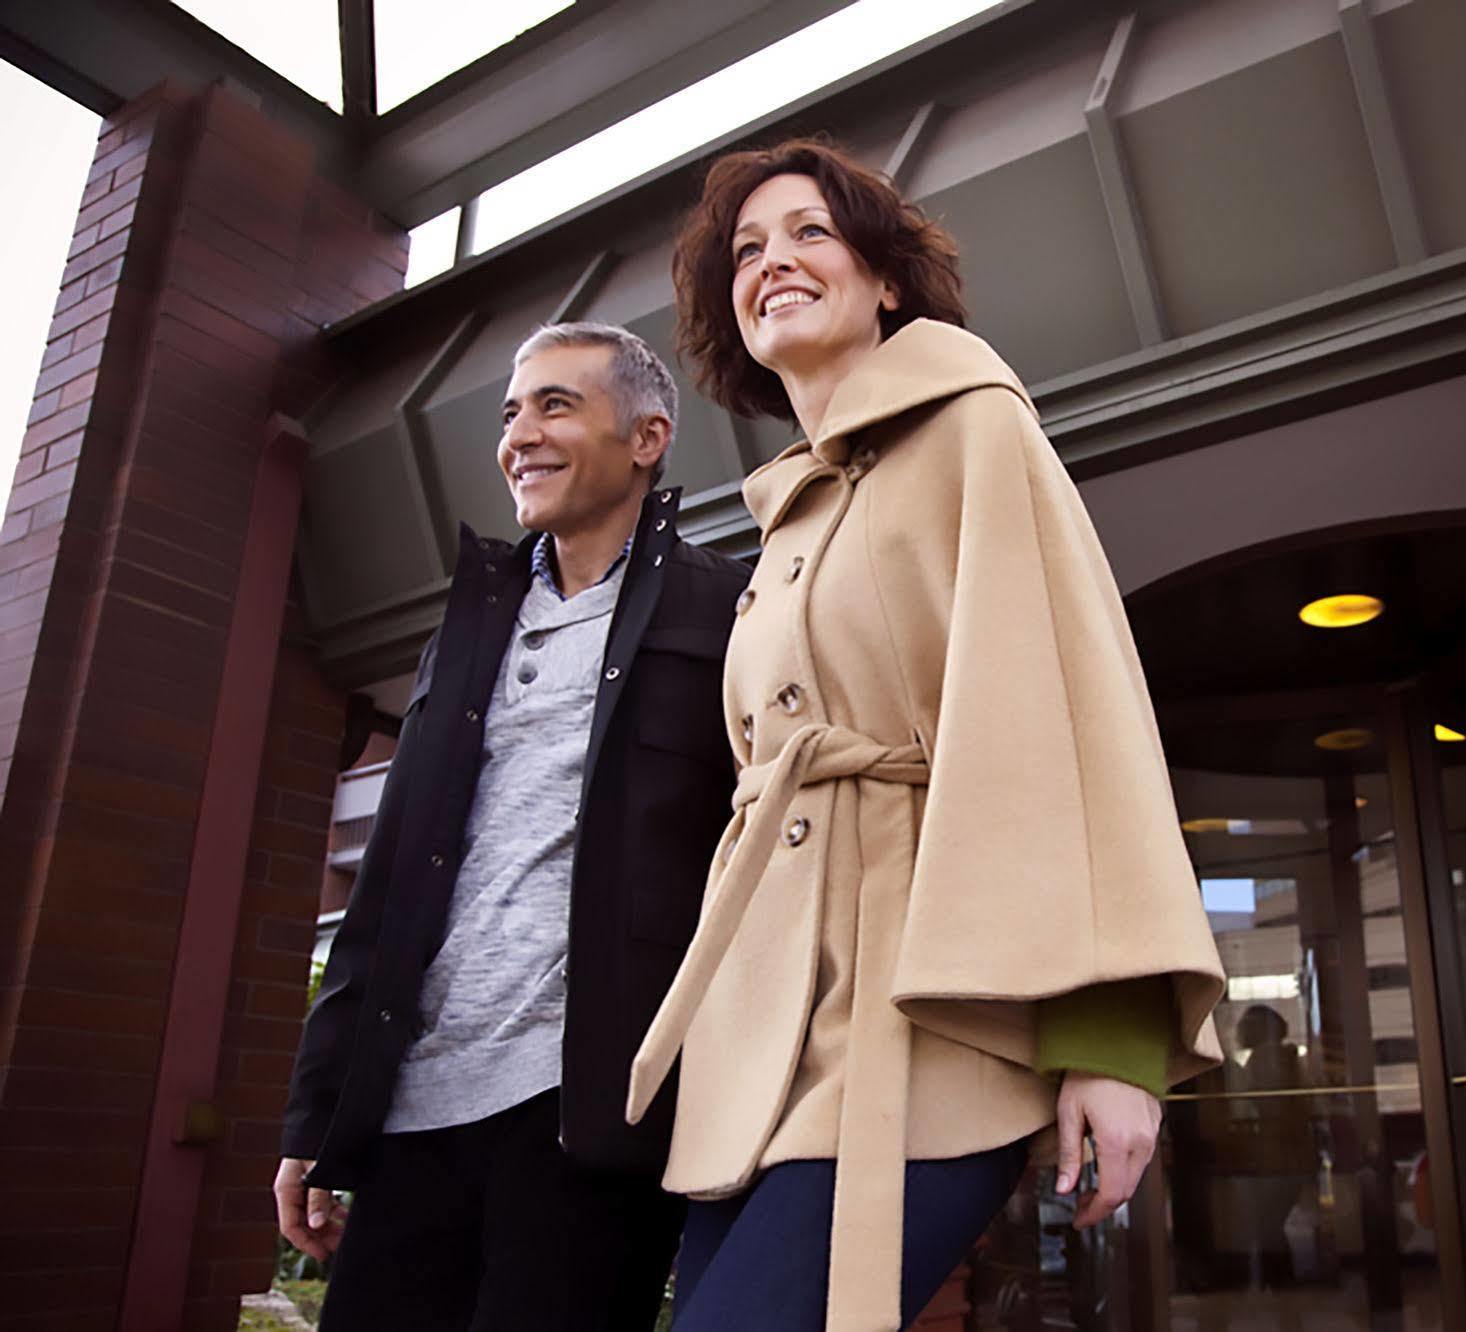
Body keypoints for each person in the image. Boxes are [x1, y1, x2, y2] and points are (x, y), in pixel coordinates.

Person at [626, 140, 1227, 1331]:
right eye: (746, 250)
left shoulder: (973, 431)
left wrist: (1109, 1038)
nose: (773, 262)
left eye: (809, 232)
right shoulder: (785, 523)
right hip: (762, 1049)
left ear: (887, 279)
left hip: (926, 1019)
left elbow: (1067, 720)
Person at [273, 322, 748, 1331]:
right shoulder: (468, 626)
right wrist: (322, 1114)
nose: (519, 435)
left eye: (556, 405)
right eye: (510, 413)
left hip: (587, 1122)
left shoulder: (730, 610)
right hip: (416, 1111)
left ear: (648, 436)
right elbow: (390, 881)